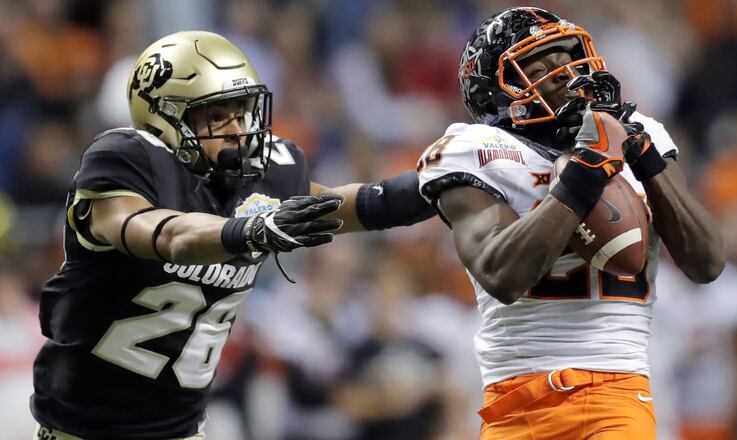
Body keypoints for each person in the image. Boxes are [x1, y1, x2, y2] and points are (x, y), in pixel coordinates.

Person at [30, 31, 434, 440]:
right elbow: (164, 234)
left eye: (242, 111)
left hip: (182, 432)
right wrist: (247, 231)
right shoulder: (126, 161)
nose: (238, 129)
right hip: (81, 432)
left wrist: (427, 190)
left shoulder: (263, 174)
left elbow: (334, 207)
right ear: (166, 118)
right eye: (217, 115)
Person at [416, 7, 725, 439]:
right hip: (515, 400)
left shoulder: (638, 133)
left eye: (568, 58)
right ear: (494, 95)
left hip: (616, 391)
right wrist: (585, 171)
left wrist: (643, 156)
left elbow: (707, 263)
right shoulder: (479, 150)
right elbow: (503, 276)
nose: (564, 73)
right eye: (539, 67)